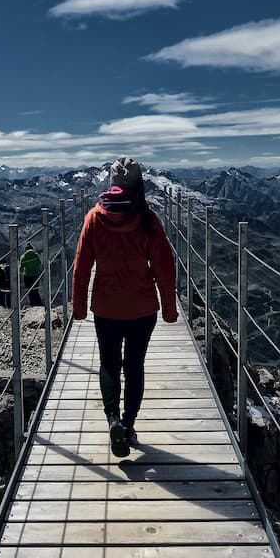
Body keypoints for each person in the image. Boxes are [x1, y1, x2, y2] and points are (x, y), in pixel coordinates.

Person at [71, 156, 178, 457]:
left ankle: (113, 420)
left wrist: (78, 306)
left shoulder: (94, 218)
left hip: (105, 307)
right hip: (143, 309)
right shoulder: (147, 219)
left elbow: (81, 267)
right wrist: (169, 309)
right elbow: (164, 269)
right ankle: (128, 426)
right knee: (134, 367)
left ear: (111, 184)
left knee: (108, 364)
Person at [19, 241, 43, 307]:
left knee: (29, 291)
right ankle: (39, 304)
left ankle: (32, 304)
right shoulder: (36, 255)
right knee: (35, 289)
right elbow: (39, 263)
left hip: (27, 276)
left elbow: (21, 268)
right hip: (36, 275)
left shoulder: (23, 257)